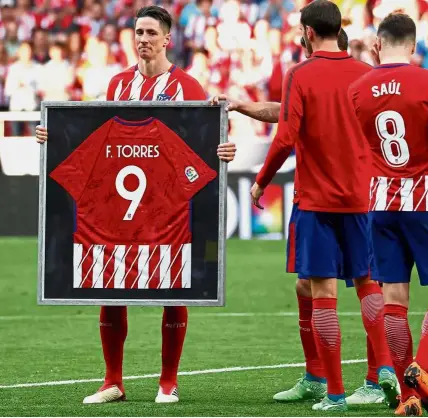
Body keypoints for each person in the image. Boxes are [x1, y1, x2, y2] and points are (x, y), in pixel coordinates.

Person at [35, 5, 236, 405]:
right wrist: (52, 136)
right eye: (137, 32)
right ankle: (113, 381)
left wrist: (225, 149)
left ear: (166, 40)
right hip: (119, 208)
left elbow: (205, 141)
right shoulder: (116, 86)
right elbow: (92, 136)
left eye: (150, 33)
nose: (142, 39)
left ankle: (168, 381)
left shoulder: (189, 88)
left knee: (173, 285)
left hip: (166, 209)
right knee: (110, 284)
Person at [209, 26, 400, 409]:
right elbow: (287, 113)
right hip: (362, 196)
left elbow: (286, 132)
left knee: (320, 290)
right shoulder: (366, 74)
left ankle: (337, 388)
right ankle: (372, 372)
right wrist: (242, 105)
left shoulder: (302, 72)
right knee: (356, 282)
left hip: (315, 197)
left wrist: (262, 180)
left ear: (309, 33)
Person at [348, 13, 428, 417]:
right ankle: (423, 368)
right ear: (414, 46)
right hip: (427, 203)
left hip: (381, 206)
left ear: (378, 46)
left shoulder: (359, 89)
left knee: (394, 300)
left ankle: (407, 396)